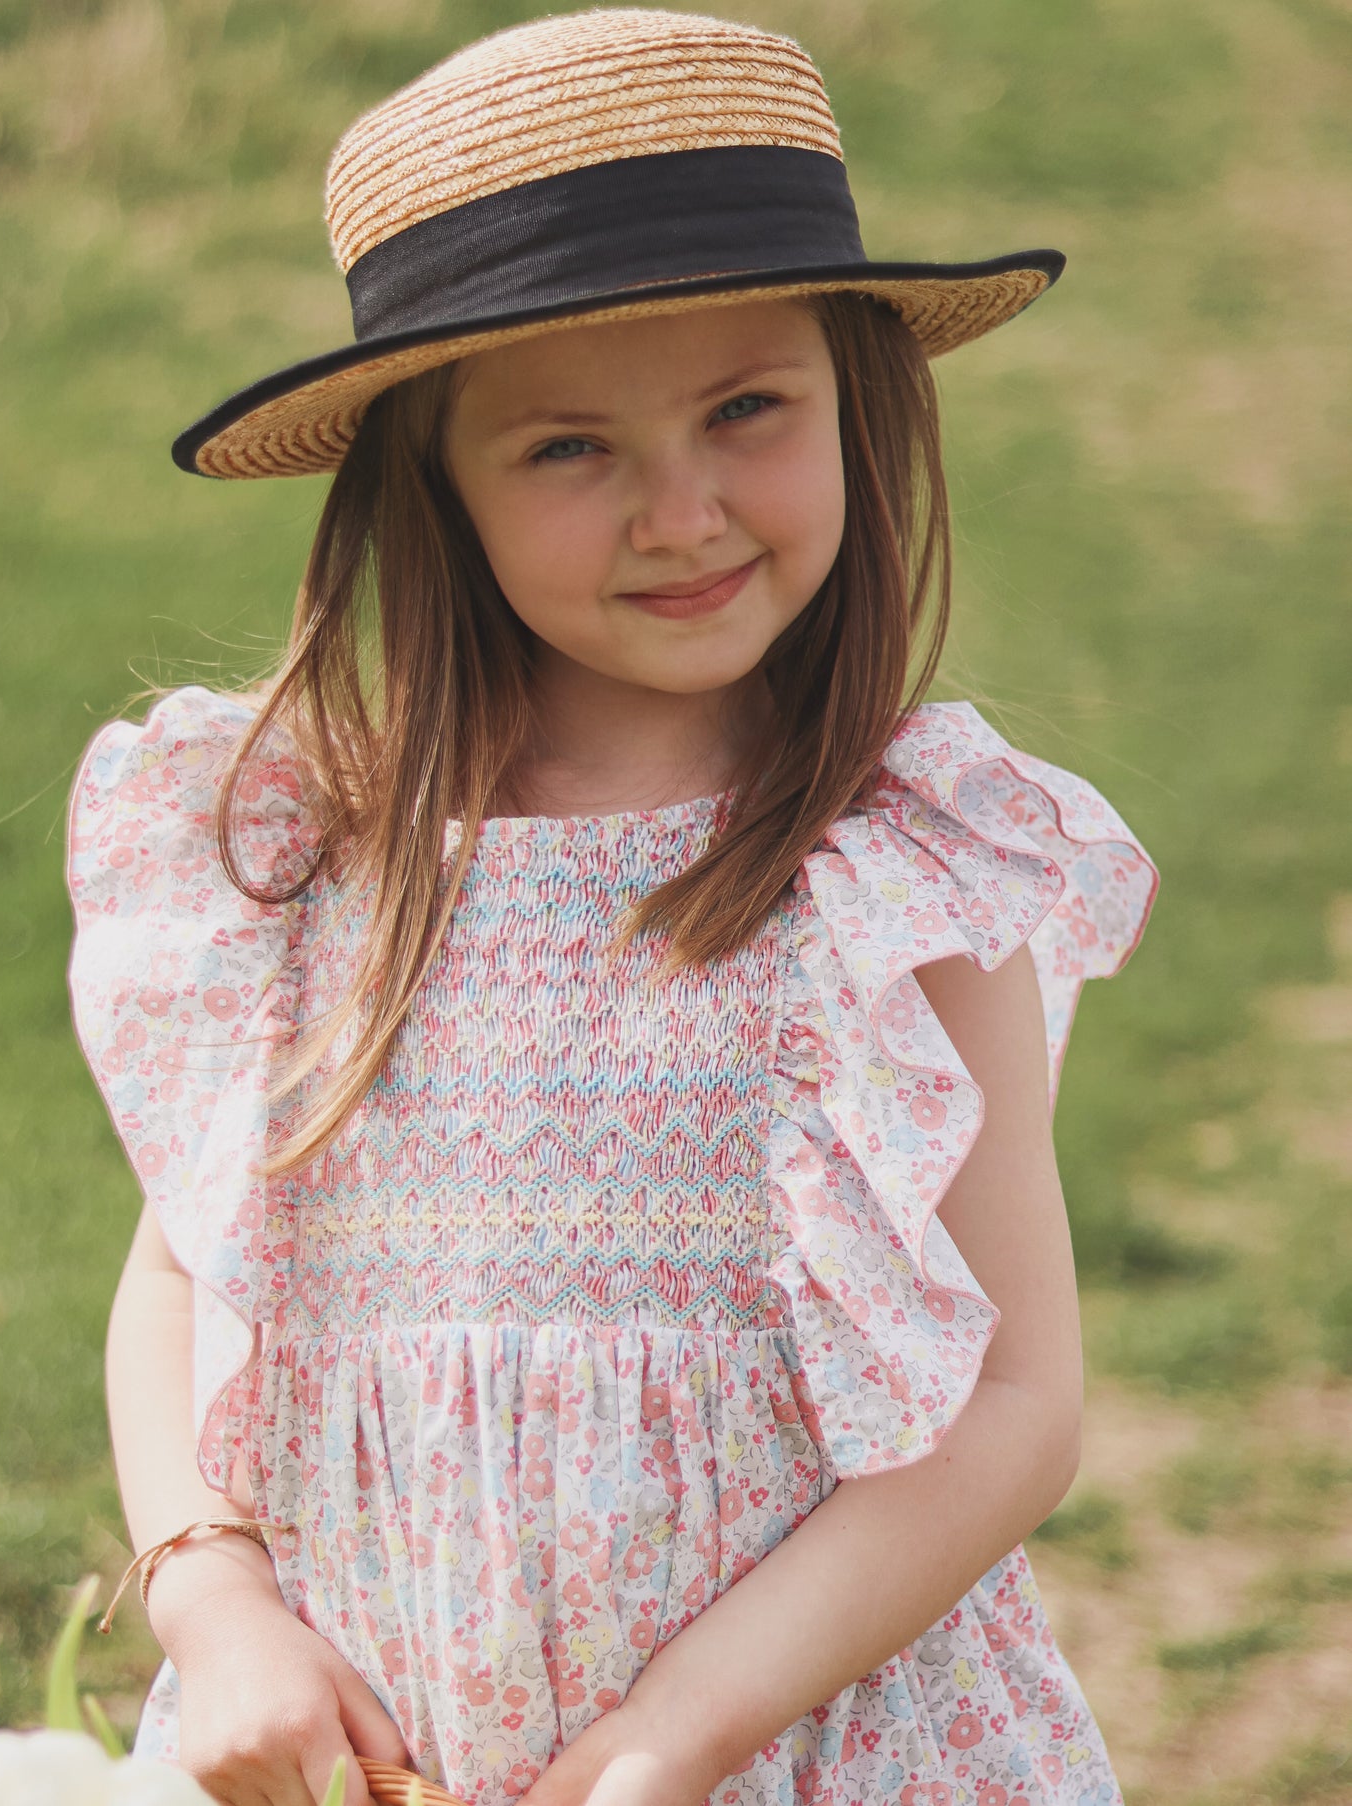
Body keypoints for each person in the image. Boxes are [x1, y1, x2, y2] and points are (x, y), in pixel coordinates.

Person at [67, 11, 1159, 1806]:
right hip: (378, 1749)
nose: (680, 510)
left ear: (855, 399)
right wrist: (213, 1597)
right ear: (433, 486)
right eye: (568, 448)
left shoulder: (894, 874)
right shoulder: (309, 854)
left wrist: (678, 1732)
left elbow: (1009, 1406)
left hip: (795, 1740)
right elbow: (184, 1273)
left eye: (746, 408)